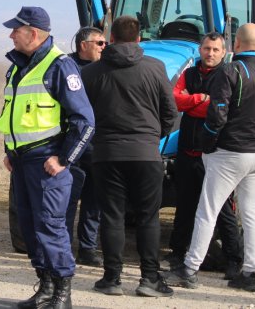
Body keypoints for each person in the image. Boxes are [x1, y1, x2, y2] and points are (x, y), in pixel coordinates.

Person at [164, 23, 255, 293]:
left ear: (236, 46)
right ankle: (249, 272)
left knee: (207, 211)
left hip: (229, 151)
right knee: (252, 214)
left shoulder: (231, 71)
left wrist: (208, 143)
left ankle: (189, 268)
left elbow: (217, 113)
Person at [0, 6, 95, 309]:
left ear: (34, 34)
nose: (12, 34)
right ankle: (45, 286)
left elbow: (85, 121)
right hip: (22, 162)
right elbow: (12, 114)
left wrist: (64, 160)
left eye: (17, 30)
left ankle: (62, 295)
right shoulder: (16, 66)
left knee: (51, 227)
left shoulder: (60, 66)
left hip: (47, 163)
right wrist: (9, 151)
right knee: (29, 228)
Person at [81, 15, 178, 298]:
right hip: (145, 153)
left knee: (112, 216)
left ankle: (112, 278)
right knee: (148, 217)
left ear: (110, 39)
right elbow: (170, 112)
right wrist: (151, 138)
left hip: (106, 154)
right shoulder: (155, 67)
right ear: (139, 38)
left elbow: (82, 114)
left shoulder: (91, 73)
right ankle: (149, 278)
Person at [166, 32, 243, 280]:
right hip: (188, 150)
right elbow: (175, 100)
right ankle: (177, 253)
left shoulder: (228, 75)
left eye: (215, 50)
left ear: (224, 52)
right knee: (185, 204)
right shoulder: (189, 74)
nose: (210, 54)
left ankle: (234, 259)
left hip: (216, 151)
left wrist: (193, 103)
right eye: (207, 49)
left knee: (221, 209)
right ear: (200, 49)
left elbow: (220, 108)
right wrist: (200, 99)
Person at [66, 26, 105, 267]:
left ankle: (88, 248)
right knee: (66, 199)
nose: (104, 47)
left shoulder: (105, 70)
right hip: (71, 146)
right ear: (83, 45)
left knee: (94, 200)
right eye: (99, 43)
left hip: (97, 145)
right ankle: (62, 246)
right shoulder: (65, 67)